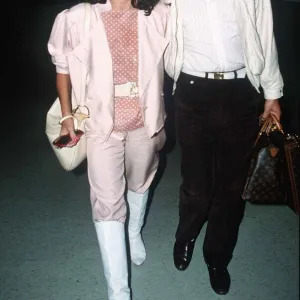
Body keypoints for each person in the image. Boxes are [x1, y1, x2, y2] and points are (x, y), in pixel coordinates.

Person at [48, 1, 169, 299]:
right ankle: (118, 291)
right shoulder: (77, 17)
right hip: (101, 124)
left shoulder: (157, 13)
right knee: (107, 201)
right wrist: (67, 117)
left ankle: (133, 232)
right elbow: (62, 68)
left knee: (140, 180)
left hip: (145, 119)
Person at [164, 0, 283, 295]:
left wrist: (272, 93)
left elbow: (264, 31)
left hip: (241, 89)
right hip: (192, 91)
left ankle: (217, 256)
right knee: (196, 182)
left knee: (232, 186)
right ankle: (187, 235)